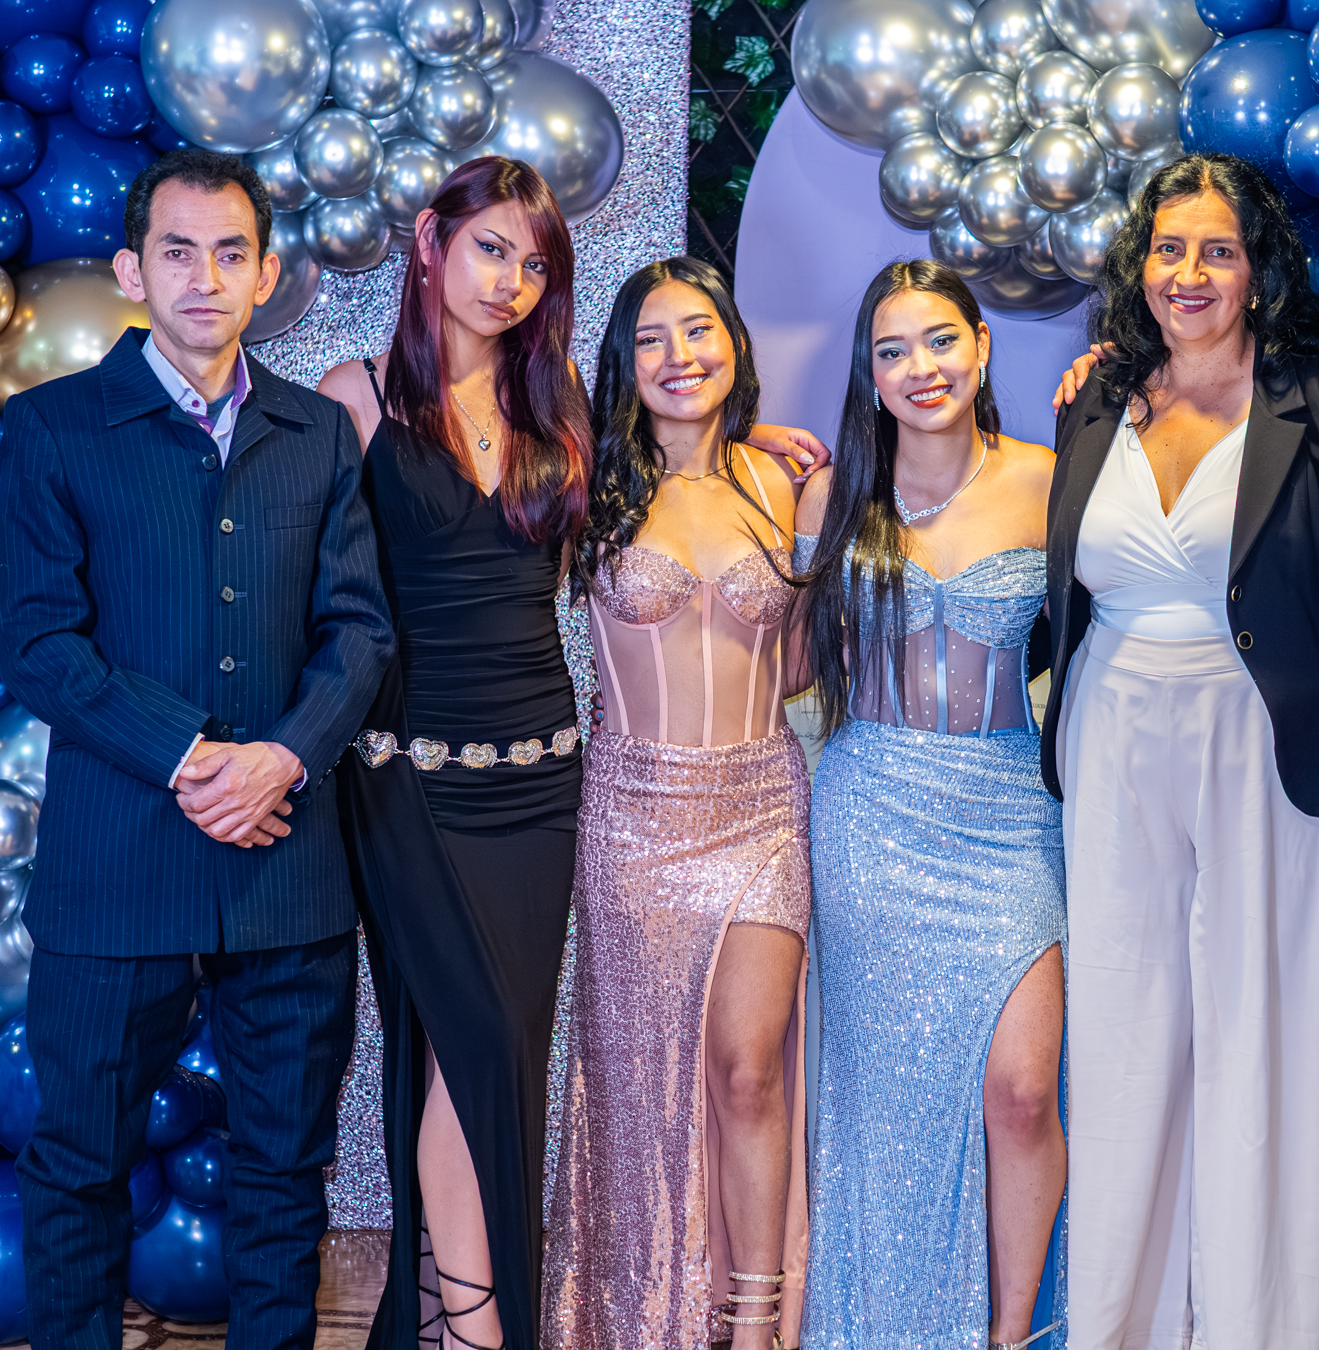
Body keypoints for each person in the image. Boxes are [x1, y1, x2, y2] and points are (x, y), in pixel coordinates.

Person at [0, 148, 393, 1350]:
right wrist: (195, 758)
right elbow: (39, 643)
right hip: (115, 870)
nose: (204, 278)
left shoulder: (318, 433)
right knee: (78, 1168)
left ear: (267, 274)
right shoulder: (54, 428)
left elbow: (360, 630)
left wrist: (280, 759)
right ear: (132, 270)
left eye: (230, 253)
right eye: (178, 251)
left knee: (284, 1174)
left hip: (287, 869)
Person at [1045, 153, 1319, 1349]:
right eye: (1168, 249)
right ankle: (1131, 1322)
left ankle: (1273, 1320)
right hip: (1114, 746)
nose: (1188, 274)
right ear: (1138, 265)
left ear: (1258, 271)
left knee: (1271, 1036)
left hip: (1272, 751)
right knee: (1128, 1036)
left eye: (1217, 250)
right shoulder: (1093, 400)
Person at [319, 155, 591, 1350]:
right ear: (431, 240)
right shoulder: (355, 397)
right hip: (407, 783)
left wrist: (767, 448)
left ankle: (451, 1324)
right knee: (472, 1046)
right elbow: (305, 596)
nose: (511, 281)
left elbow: (649, 510)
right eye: (491, 248)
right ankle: (483, 1335)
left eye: (533, 264)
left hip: (542, 781)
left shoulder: (558, 400)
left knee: (496, 1054)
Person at [796, 259, 1067, 1350]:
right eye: (893, 350)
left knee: (1024, 1090)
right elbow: (782, 657)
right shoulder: (833, 494)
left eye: (942, 339)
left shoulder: (1050, 479)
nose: (922, 367)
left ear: (983, 347)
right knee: (887, 1102)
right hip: (870, 813)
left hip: (1008, 812)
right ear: (869, 375)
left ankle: (1014, 1334)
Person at [544, 257, 810, 1350]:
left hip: (760, 807)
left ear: (734, 343)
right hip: (632, 816)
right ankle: (639, 1315)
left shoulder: (784, 483)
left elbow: (801, 660)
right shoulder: (582, 485)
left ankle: (753, 1322)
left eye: (698, 330)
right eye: (650, 338)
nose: (679, 356)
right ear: (622, 363)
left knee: (749, 1071)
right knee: (644, 1090)